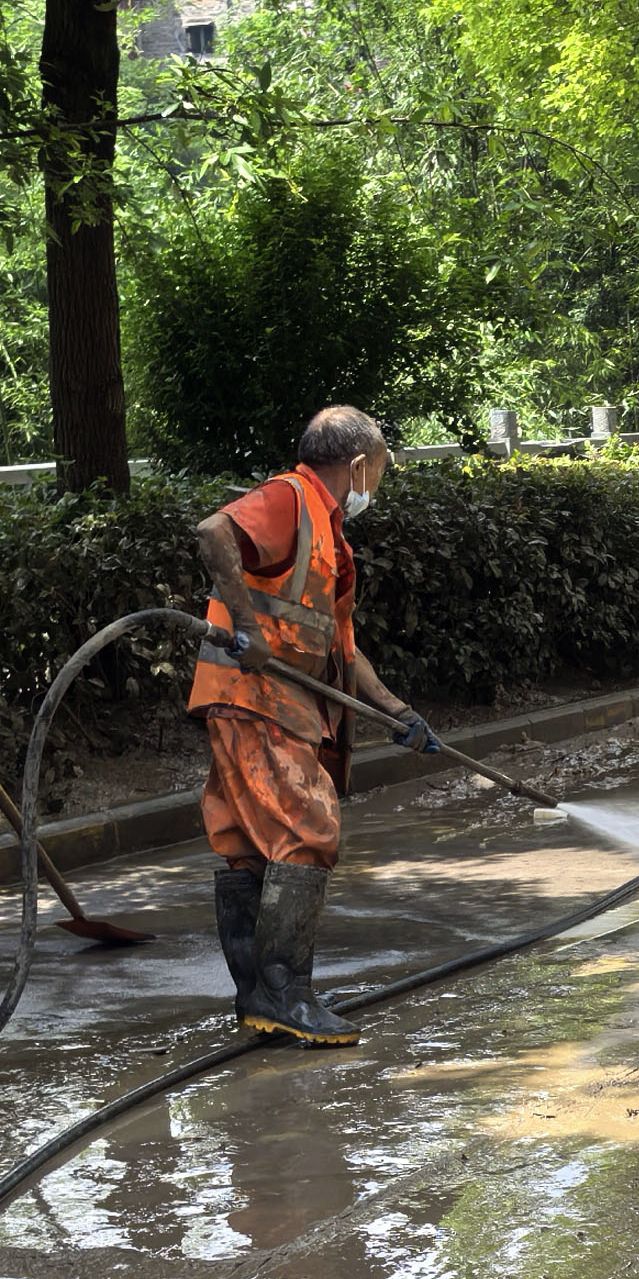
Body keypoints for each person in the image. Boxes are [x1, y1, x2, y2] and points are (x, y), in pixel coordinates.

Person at [191, 406, 441, 1047]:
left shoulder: (326, 531)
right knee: (308, 826)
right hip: (253, 695)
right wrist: (244, 626)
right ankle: (284, 995)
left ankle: (259, 996)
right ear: (359, 464)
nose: (375, 487)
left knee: (251, 846)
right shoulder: (291, 497)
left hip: (267, 700)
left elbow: (339, 649)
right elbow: (213, 532)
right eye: (379, 472)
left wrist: (397, 712)